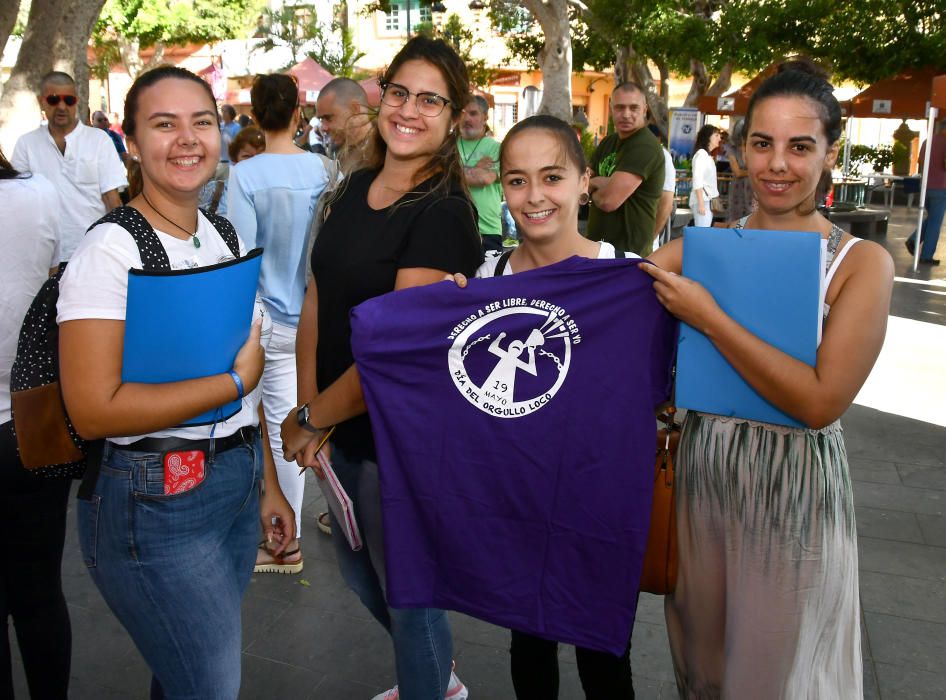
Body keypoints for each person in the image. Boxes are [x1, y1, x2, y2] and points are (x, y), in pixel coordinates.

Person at [644, 59, 894, 698]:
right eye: (762, 143)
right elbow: (598, 299)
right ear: (736, 149)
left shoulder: (861, 264)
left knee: (776, 676)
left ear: (829, 153)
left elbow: (819, 402)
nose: (777, 164)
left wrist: (707, 317)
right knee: (702, 668)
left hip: (792, 492)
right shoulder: (699, 249)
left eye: (799, 146)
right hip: (702, 479)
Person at [57, 66, 295, 699]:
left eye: (201, 122)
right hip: (153, 500)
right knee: (210, 685)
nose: (187, 139)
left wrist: (269, 485)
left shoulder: (222, 234)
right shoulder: (108, 252)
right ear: (130, 142)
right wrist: (231, 383)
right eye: (164, 124)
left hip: (234, 485)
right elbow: (93, 410)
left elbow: (248, 397)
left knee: (183, 670)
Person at [280, 35, 482, 700]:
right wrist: (313, 416)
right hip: (340, 432)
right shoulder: (357, 184)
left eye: (432, 100)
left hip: (401, 439)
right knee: (363, 578)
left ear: (455, 118)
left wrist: (311, 417)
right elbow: (317, 296)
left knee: (406, 597)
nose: (410, 110)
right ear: (382, 96)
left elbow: (394, 357)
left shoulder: (445, 214)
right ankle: (434, 677)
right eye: (400, 93)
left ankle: (431, 685)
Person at [474, 114, 641, 700]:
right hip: (517, 500)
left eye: (552, 176)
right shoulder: (485, 276)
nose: (535, 195)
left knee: (605, 657)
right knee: (529, 648)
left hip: (597, 504)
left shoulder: (625, 277)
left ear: (584, 182)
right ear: (501, 188)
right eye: (517, 181)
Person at [227, 74, 329, 574]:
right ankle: (286, 540)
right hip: (311, 317)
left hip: (261, 317)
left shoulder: (244, 176)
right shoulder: (325, 170)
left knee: (256, 427)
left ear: (254, 114)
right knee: (293, 428)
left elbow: (240, 257)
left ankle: (275, 537)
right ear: (298, 114)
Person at [0, 151, 67, 699]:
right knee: (40, 590)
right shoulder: (38, 193)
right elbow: (49, 282)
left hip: (29, 417)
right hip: (32, 418)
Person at [12, 71, 127, 262]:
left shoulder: (99, 140)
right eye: (54, 100)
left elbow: (112, 198)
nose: (62, 106)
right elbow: (18, 201)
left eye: (69, 100)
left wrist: (122, 244)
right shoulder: (27, 144)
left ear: (77, 101)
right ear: (42, 101)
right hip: (44, 255)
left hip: (93, 250)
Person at [586, 82, 665, 256]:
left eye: (633, 108)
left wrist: (594, 186)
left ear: (644, 109)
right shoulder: (608, 142)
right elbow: (582, 181)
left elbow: (608, 202)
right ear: (611, 108)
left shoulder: (645, 146)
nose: (626, 114)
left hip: (627, 254)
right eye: (620, 107)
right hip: (597, 249)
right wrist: (600, 183)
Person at [458, 95, 503, 253]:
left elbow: (486, 178)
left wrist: (455, 171)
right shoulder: (447, 146)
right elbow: (437, 176)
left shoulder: (497, 148)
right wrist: (474, 170)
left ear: (485, 117)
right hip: (453, 226)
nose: (466, 118)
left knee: (487, 278)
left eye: (473, 113)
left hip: (487, 230)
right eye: (462, 113)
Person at [198, 125, 265, 216]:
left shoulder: (276, 193)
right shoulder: (215, 190)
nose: (253, 162)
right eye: (247, 156)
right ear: (235, 158)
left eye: (260, 156)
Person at [906, 118, 946, 264]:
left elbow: (920, 163)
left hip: (926, 187)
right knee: (935, 222)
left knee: (932, 219)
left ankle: (914, 239)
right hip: (942, 186)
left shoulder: (927, 141)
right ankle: (926, 255)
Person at [315, 77, 374, 172]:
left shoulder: (385, 154)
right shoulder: (339, 151)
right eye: (321, 119)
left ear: (355, 109)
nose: (323, 127)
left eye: (328, 118)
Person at [689, 124, 721, 227]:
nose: (719, 138)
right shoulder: (701, 155)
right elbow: (697, 180)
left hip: (706, 200)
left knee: (703, 230)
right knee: (702, 231)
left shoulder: (706, 155)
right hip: (703, 200)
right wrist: (701, 203)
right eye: (716, 135)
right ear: (708, 137)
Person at [725, 118, 753, 221]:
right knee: (737, 216)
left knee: (752, 214)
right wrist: (750, 172)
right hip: (738, 187)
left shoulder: (754, 147)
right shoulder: (731, 149)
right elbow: (737, 172)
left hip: (752, 187)